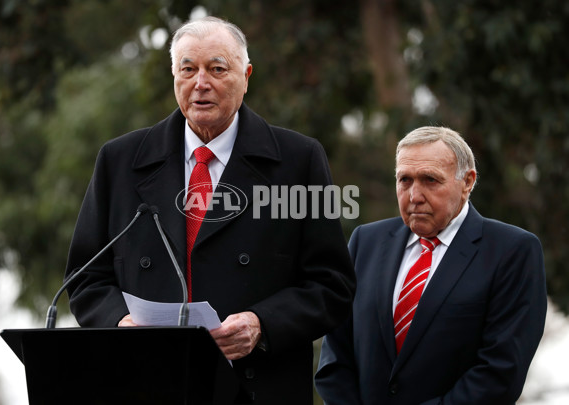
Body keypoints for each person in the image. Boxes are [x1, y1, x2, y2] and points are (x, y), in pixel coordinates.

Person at [64, 16, 355, 405]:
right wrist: (119, 323)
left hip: (255, 387)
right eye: (188, 69)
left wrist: (261, 324)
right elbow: (85, 279)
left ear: (246, 75)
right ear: (174, 76)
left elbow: (333, 284)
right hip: (147, 384)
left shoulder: (299, 161)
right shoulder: (119, 161)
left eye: (217, 69)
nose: (201, 83)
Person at [315, 126, 547, 404]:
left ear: (468, 182)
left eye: (430, 180)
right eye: (405, 180)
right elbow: (335, 357)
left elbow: (499, 373)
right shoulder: (366, 241)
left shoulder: (512, 251)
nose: (414, 195)